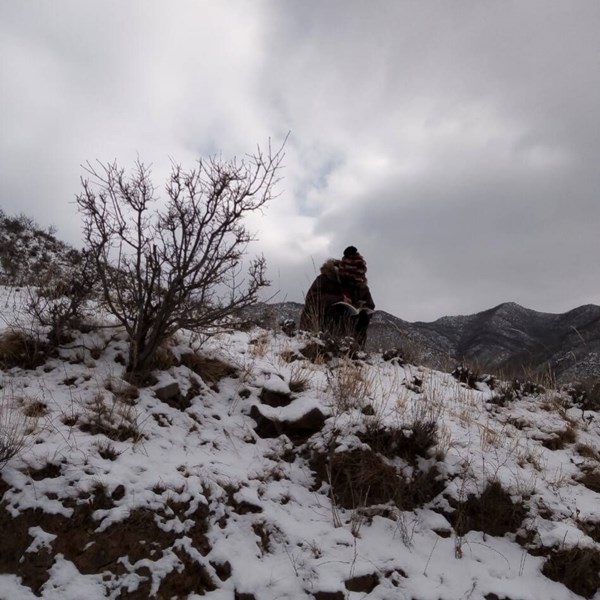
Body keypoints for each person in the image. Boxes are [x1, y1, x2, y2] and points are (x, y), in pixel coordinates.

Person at [300, 246, 375, 348]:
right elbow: (311, 300)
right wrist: (339, 299)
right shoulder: (325, 279)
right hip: (318, 331)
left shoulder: (361, 287)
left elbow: (370, 306)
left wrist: (360, 309)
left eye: (357, 280)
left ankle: (355, 349)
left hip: (349, 332)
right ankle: (326, 345)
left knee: (363, 318)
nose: (354, 283)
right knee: (335, 310)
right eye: (351, 279)